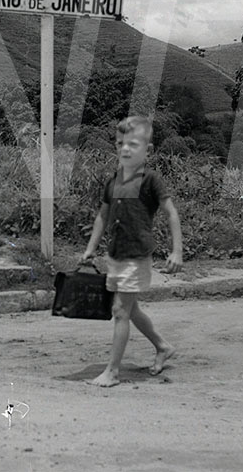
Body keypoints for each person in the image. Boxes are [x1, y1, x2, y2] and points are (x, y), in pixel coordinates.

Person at [80, 115, 183, 387]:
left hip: (137, 255)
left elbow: (171, 214)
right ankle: (162, 346)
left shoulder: (150, 181)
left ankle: (112, 372)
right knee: (131, 309)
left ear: (147, 151)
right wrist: (91, 247)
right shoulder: (113, 182)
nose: (125, 149)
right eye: (120, 143)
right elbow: (102, 217)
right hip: (116, 254)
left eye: (133, 144)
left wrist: (177, 251)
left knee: (120, 311)